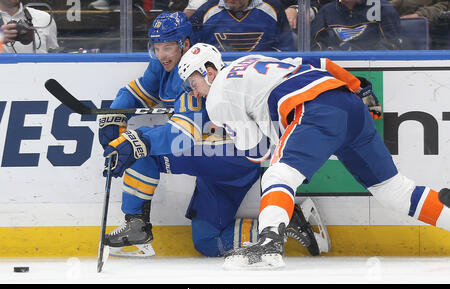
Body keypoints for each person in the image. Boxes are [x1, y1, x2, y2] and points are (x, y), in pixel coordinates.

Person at [177, 42, 450, 269]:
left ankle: (269, 244)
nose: (194, 90)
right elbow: (319, 61)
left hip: (314, 109)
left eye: (193, 81)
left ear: (210, 71)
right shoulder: (251, 60)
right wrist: (356, 85)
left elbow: (257, 152)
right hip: (349, 105)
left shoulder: (217, 98)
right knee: (394, 191)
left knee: (276, 174)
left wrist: (227, 133)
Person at [99, 12, 320, 258]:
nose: (161, 55)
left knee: (143, 152)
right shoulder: (163, 65)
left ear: (184, 44)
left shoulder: (192, 74)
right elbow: (139, 90)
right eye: (157, 48)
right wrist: (114, 114)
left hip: (230, 153)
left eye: (168, 47)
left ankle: (135, 224)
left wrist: (137, 140)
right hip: (229, 166)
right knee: (207, 241)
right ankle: (286, 222)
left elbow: (182, 134)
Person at [189, 0, 295, 52]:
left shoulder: (273, 9)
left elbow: (285, 51)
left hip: (261, 76)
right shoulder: (205, 12)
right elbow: (193, 52)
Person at [311, 0, 401, 50]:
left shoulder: (382, 8)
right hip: (337, 65)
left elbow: (391, 44)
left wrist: (360, 53)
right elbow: (315, 43)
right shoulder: (327, 10)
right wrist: (332, 53)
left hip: (373, 65)